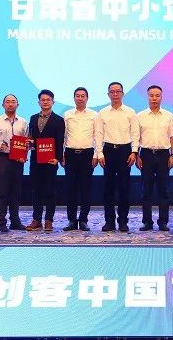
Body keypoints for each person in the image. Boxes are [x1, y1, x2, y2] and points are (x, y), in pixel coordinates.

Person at [96, 82, 139, 233]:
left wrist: (134, 152)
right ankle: (109, 221)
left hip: (125, 151)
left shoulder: (130, 112)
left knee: (124, 188)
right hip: (108, 151)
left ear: (122, 94)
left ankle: (123, 222)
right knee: (108, 188)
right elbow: (98, 134)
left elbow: (135, 133)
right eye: (112, 92)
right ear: (108, 94)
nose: (115, 94)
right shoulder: (102, 113)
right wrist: (99, 153)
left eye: (118, 91)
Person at [136, 85, 173, 232]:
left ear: (161, 97)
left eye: (157, 95)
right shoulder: (140, 116)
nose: (154, 98)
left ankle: (163, 222)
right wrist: (137, 155)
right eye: (151, 95)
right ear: (147, 97)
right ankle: (147, 222)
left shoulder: (168, 115)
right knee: (146, 190)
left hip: (163, 155)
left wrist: (172, 155)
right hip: (146, 155)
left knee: (163, 190)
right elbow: (136, 137)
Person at [0, 94, 29, 233]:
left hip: (18, 160)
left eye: (13, 102)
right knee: (2, 191)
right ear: (3, 105)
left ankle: (15, 221)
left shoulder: (23, 122)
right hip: (3, 158)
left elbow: (26, 141)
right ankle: (1, 222)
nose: (10, 104)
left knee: (16, 191)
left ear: (17, 104)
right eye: (8, 102)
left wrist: (24, 154)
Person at [26, 89, 65, 232]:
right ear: (39, 102)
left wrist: (58, 158)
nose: (45, 102)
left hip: (50, 160)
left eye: (48, 100)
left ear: (53, 102)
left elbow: (60, 141)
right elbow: (31, 137)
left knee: (50, 190)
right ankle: (36, 220)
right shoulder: (33, 118)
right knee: (36, 190)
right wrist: (28, 143)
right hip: (35, 159)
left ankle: (49, 220)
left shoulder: (59, 120)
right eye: (43, 100)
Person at [62, 87, 98, 232]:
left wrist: (96, 155)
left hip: (87, 154)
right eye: (78, 96)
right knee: (70, 188)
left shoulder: (94, 115)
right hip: (70, 154)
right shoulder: (67, 114)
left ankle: (83, 220)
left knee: (85, 189)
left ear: (87, 98)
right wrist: (62, 153)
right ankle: (71, 220)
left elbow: (97, 136)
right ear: (74, 98)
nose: (80, 98)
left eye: (83, 96)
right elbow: (63, 135)